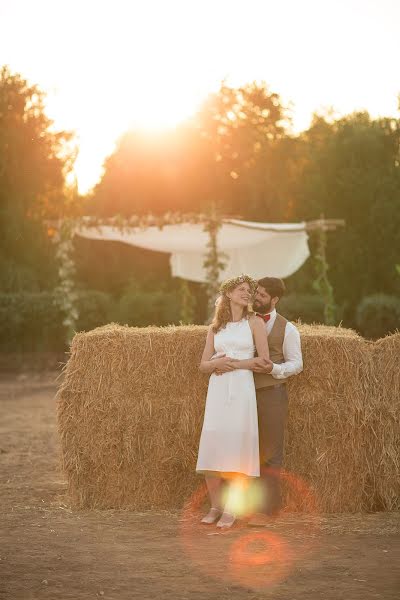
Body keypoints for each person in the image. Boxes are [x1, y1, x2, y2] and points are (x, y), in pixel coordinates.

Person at [196, 274, 270, 529]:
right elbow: (203, 365)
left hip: (241, 389)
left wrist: (234, 364)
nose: (247, 293)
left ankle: (232, 509)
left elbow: (264, 361)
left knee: (238, 447)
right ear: (228, 294)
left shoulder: (255, 322)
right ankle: (215, 506)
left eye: (249, 290)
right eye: (241, 289)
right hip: (217, 390)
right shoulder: (215, 327)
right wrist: (217, 364)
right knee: (214, 444)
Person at [247, 276, 303, 526]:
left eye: (261, 295)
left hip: (272, 394)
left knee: (270, 453)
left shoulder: (288, 329)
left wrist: (273, 369)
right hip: (243, 393)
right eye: (255, 292)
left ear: (274, 299)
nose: (256, 297)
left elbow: (297, 364)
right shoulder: (243, 322)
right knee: (246, 450)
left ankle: (266, 510)